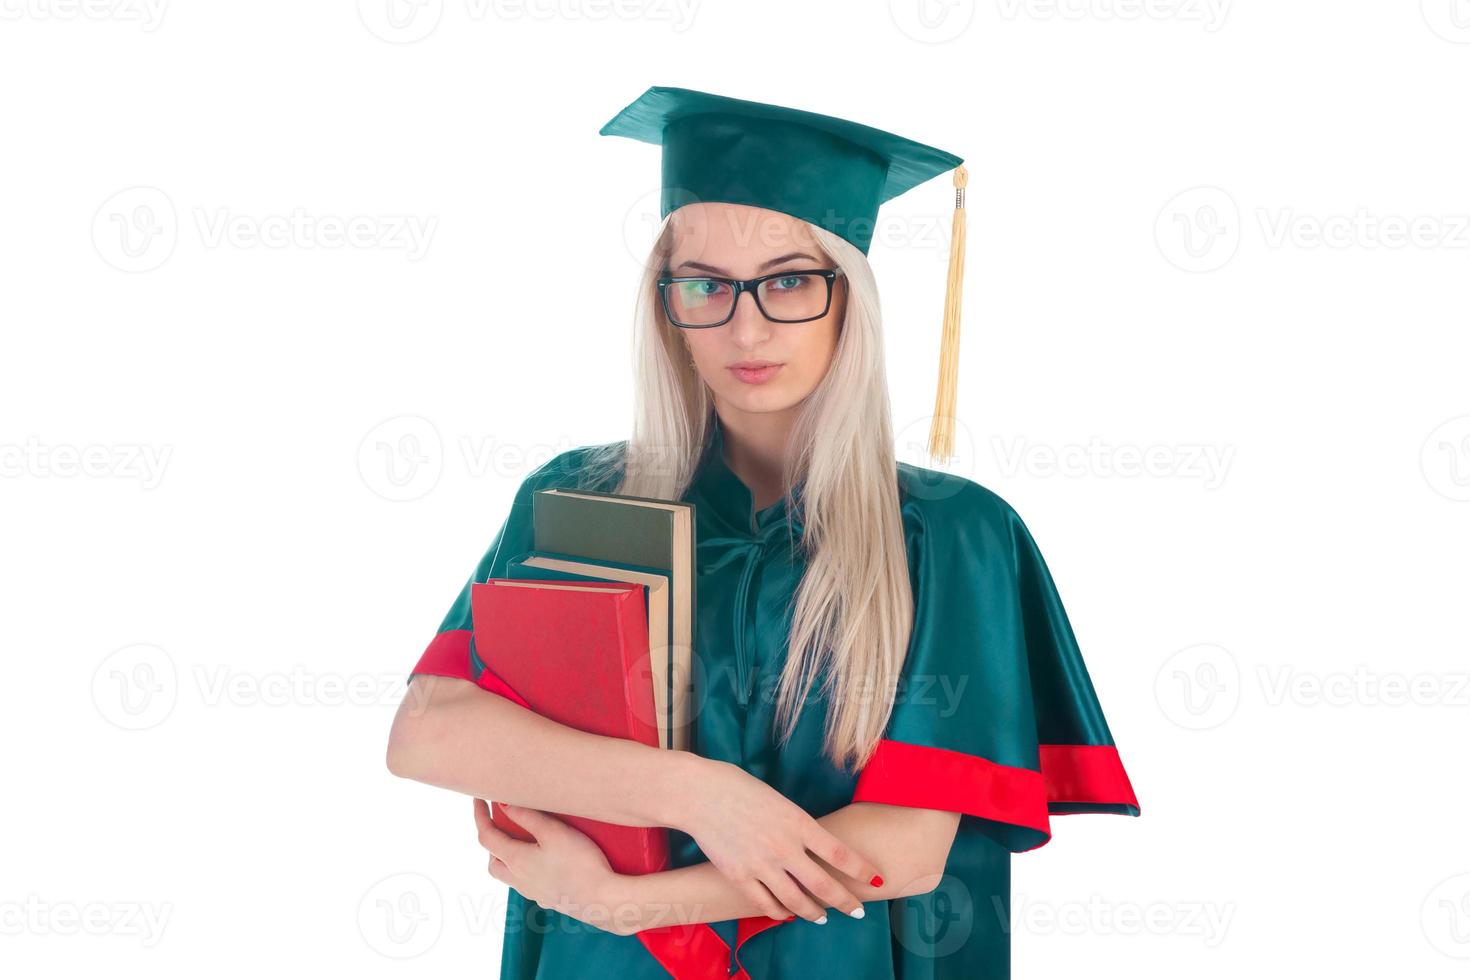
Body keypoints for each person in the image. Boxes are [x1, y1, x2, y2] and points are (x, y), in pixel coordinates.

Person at [386, 85, 1140, 980]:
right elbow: (430, 733)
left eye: (788, 281)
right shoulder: (582, 502)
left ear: (848, 295)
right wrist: (700, 795)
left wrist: (628, 904)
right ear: (666, 304)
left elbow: (903, 848)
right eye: (703, 285)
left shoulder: (951, 534)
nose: (745, 327)